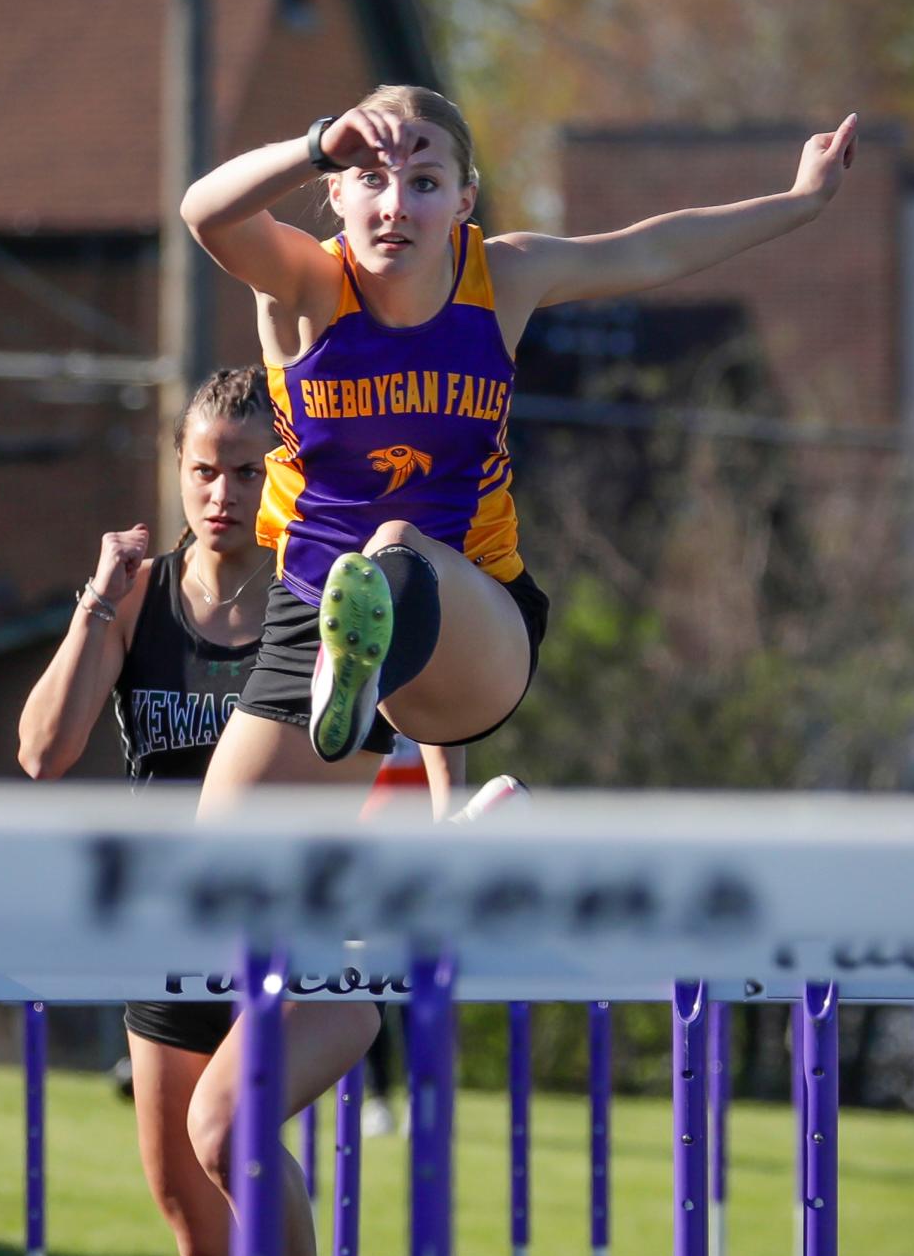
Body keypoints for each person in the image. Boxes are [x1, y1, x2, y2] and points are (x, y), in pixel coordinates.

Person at [180, 86, 857, 818]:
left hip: (475, 627)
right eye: (372, 177)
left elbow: (652, 247)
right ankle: (445, 832)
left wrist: (800, 202)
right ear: (337, 191)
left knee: (396, 549)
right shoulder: (304, 284)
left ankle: (406, 749)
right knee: (223, 877)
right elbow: (205, 213)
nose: (396, 205)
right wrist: (315, 143)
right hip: (313, 618)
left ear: (465, 201)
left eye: (425, 182)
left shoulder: (502, 278)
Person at [18, 368, 460, 1256]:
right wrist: (97, 601)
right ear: (177, 472)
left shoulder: (324, 601)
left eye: (247, 472)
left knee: (234, 1132)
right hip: (175, 951)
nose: (222, 494)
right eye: (204, 471)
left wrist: (454, 816)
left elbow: (435, 713)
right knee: (203, 1249)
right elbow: (43, 749)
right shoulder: (139, 601)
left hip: (308, 939)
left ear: (281, 478)